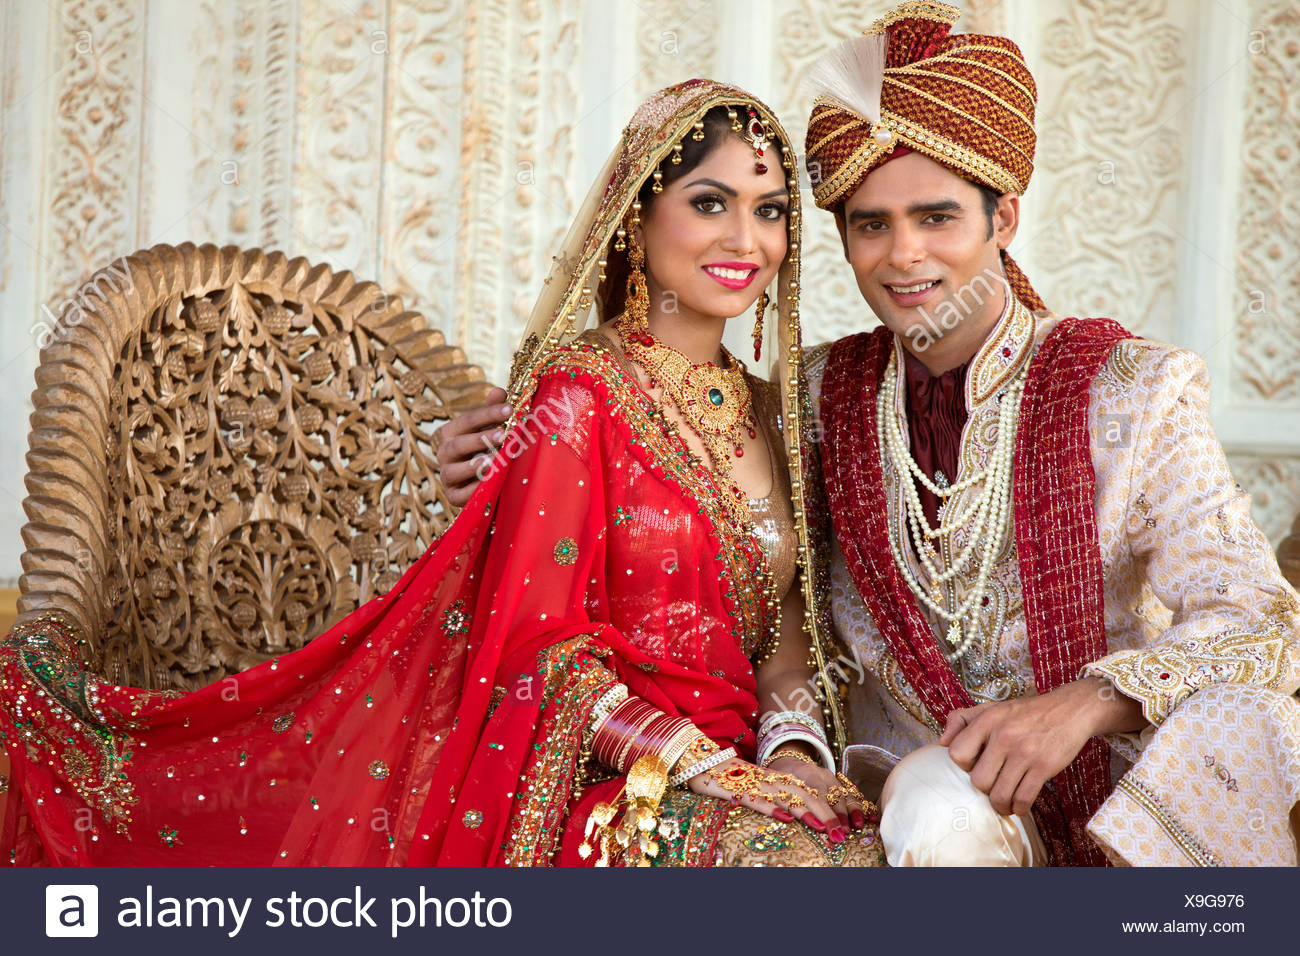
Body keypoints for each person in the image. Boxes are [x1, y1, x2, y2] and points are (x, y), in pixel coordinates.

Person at [438, 2, 1300, 867]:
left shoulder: (1135, 390)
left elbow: (1260, 621)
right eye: (870, 224)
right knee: (936, 808)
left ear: (1003, 220)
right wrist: (499, 469)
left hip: (1116, 790)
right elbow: (701, 528)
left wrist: (1080, 704)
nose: (903, 257)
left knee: (1247, 719)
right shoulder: (812, 398)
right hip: (929, 800)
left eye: (937, 218)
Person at [0, 79, 882, 867]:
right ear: (639, 218)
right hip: (604, 776)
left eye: (770, 211)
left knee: (867, 849)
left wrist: (794, 756)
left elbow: (784, 637)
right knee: (794, 872)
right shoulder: (578, 398)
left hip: (739, 767)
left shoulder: (773, 411)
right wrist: (694, 764)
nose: (746, 239)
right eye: (710, 202)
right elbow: (543, 651)